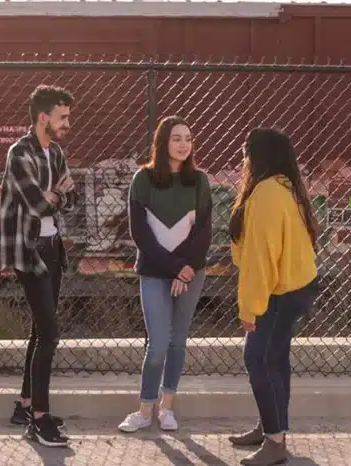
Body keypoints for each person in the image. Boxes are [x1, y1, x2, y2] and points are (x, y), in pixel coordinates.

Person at [226, 128, 320, 465]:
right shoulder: (286, 187)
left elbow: (261, 257)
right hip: (296, 286)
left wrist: (250, 307)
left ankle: (275, 442)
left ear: (259, 156)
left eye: (246, 151)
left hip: (279, 291)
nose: (243, 158)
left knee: (258, 359)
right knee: (275, 359)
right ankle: (270, 428)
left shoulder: (267, 192)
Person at [0, 84, 78, 448]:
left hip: (53, 248)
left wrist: (57, 195)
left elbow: (70, 200)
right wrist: (57, 194)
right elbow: (37, 205)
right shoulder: (20, 152)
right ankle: (39, 421)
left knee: (40, 331)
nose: (67, 124)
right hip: (28, 251)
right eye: (63, 117)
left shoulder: (55, 152)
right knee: (50, 333)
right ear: (43, 117)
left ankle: (25, 405)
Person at [118, 116, 212, 434]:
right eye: (176, 138)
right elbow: (141, 235)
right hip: (156, 274)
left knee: (177, 343)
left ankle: (166, 408)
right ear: (162, 143)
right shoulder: (142, 179)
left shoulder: (199, 180)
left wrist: (186, 271)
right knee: (158, 344)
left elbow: (203, 232)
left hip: (190, 274)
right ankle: (145, 410)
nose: (184, 144)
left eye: (188, 138)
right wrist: (175, 268)